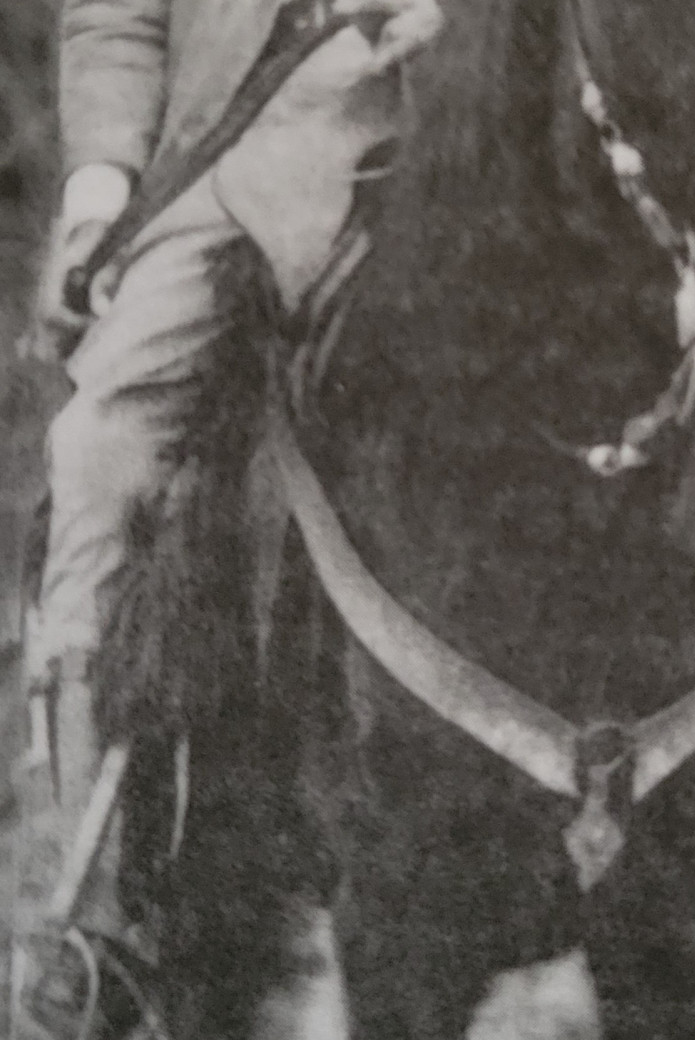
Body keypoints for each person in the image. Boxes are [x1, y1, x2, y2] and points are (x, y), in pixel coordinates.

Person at [9, 0, 442, 1036]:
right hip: (230, 162)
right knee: (96, 449)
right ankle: (100, 902)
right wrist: (100, 192)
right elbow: (115, 19)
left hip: (445, 151)